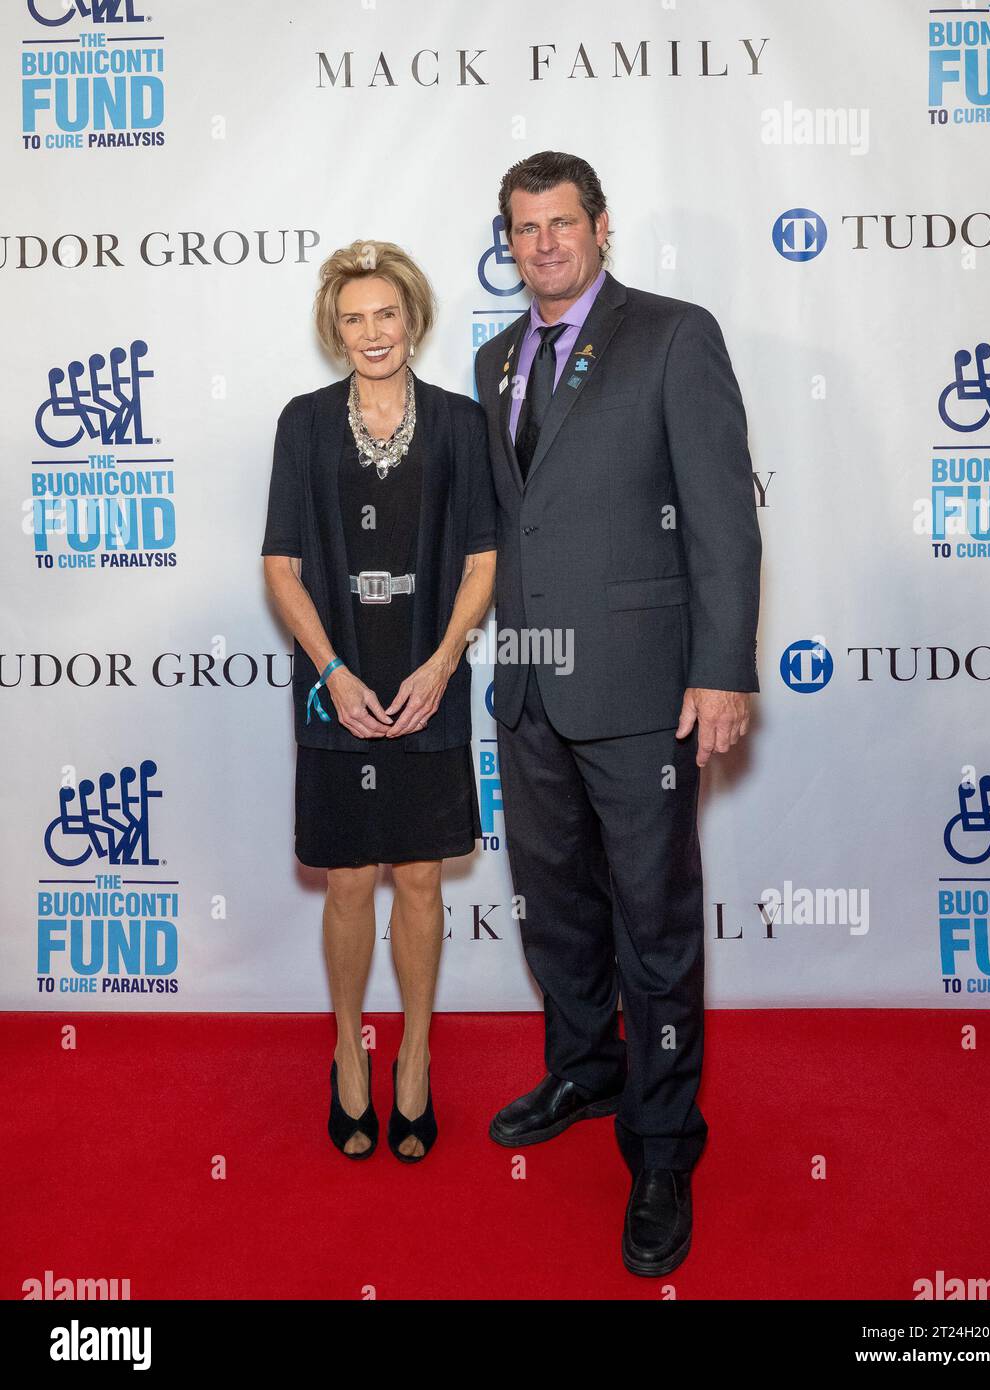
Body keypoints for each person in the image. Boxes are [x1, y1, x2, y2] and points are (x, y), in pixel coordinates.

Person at [474, 152, 761, 1275]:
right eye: (522, 228)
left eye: (560, 223)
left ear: (599, 226)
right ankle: (584, 1067)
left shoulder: (673, 334)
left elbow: (722, 518)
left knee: (652, 920)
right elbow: (517, 526)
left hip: (644, 688)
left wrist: (722, 666)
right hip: (529, 679)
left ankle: (661, 1143)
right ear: (505, 240)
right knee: (555, 909)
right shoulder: (497, 355)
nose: (542, 243)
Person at [262, 240, 496, 1163]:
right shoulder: (304, 423)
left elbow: (482, 559)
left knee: (424, 878)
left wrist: (441, 664)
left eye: (386, 314)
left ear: (414, 320)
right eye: (353, 318)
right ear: (335, 330)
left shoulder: (458, 425)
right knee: (351, 878)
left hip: (427, 676)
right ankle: (348, 1050)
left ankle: (416, 1057)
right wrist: (331, 672)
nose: (371, 332)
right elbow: (281, 566)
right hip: (338, 681)